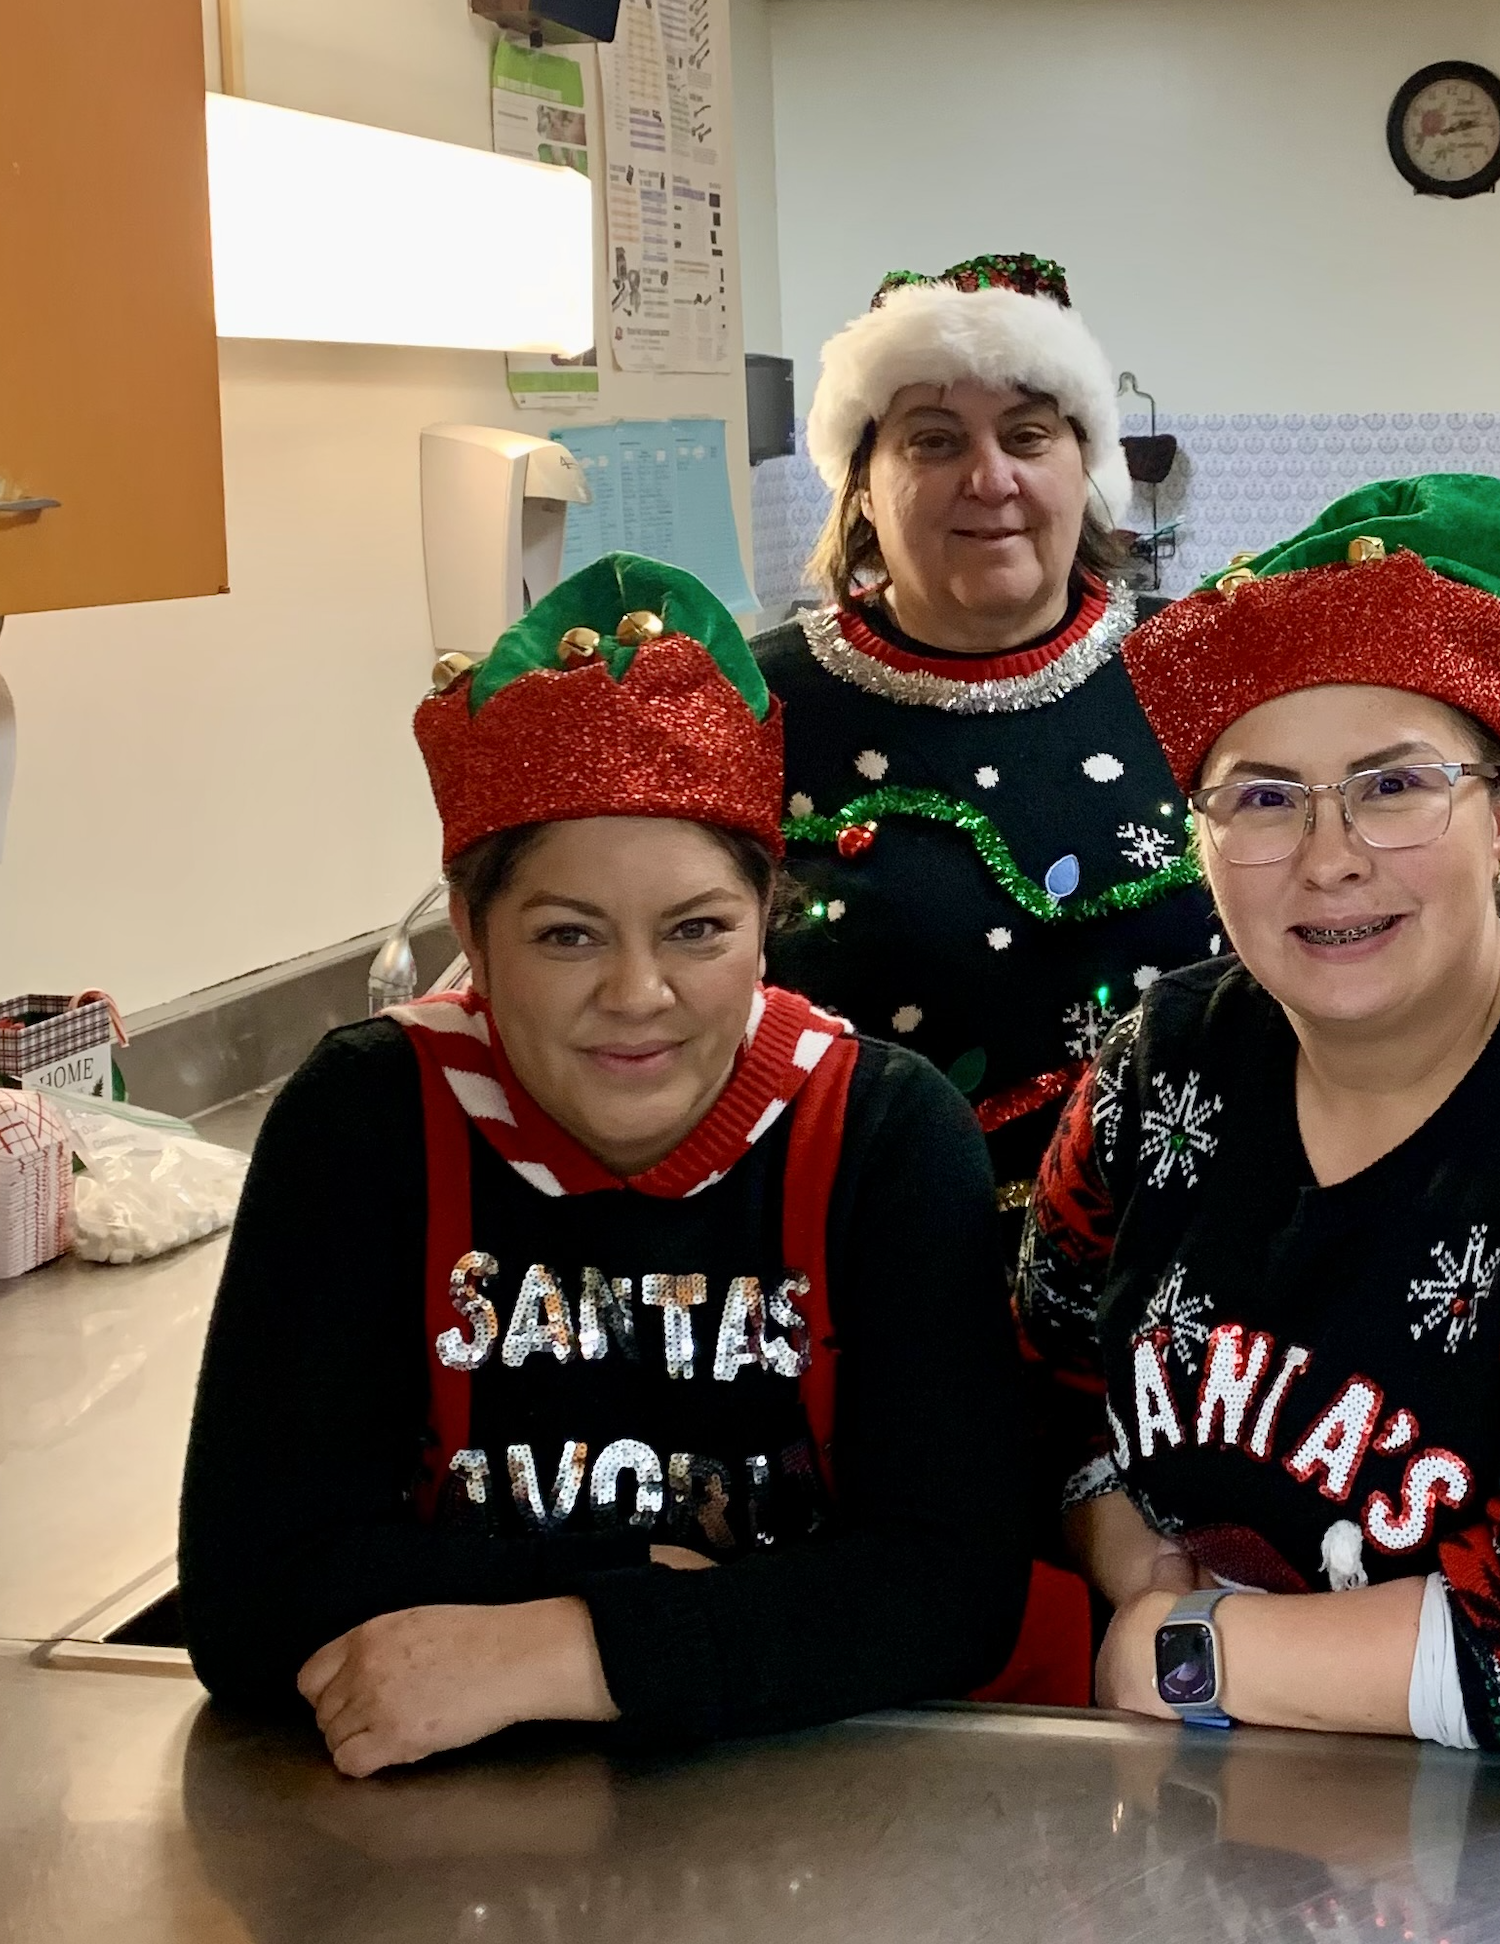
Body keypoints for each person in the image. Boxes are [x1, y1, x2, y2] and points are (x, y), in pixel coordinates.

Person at [179, 554, 1045, 1778]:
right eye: (567, 935)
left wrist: (567, 1651)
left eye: (698, 929)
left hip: (817, 1820)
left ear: (766, 920)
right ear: (472, 933)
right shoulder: (370, 1120)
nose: (637, 997)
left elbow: (952, 1592)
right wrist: (707, 1598)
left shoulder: (883, 1133)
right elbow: (252, 1598)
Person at [1018, 475, 1500, 1757]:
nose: (1329, 857)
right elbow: (1040, 1379)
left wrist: (1186, 1652)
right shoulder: (1160, 1067)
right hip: (1236, 1809)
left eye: (1393, 788)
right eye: (1263, 799)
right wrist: (1131, 1558)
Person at [752, 253, 1214, 1206]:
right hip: (867, 1257)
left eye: (1028, 434)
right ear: (863, 488)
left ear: (1084, 469)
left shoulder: (1201, 667)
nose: (990, 477)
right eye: (932, 441)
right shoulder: (754, 704)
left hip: (1178, 1247)